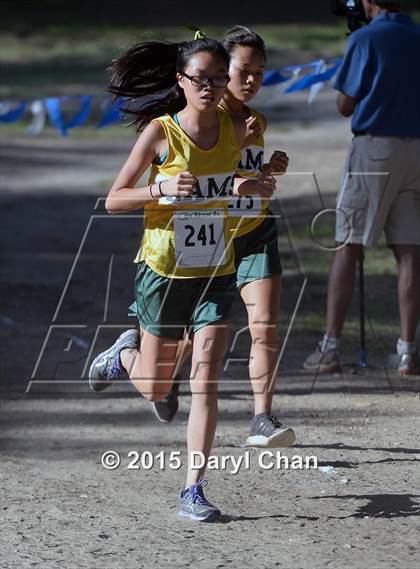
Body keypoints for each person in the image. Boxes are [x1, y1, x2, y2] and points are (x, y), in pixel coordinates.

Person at [88, 35, 277, 521]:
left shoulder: (239, 129)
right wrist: (160, 188)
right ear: (181, 81)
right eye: (201, 79)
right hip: (163, 271)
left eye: (218, 78)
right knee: (154, 388)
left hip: (216, 266)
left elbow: (247, 193)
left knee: (206, 375)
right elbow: (113, 199)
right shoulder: (160, 132)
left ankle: (193, 489)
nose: (211, 87)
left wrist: (258, 183)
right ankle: (124, 353)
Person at [153, 26, 297, 449]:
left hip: (254, 232)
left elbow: (247, 180)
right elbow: (207, 179)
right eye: (243, 71)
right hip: (212, 238)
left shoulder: (257, 120)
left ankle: (262, 419)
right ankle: (166, 374)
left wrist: (268, 169)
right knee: (197, 335)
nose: (251, 80)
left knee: (265, 326)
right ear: (220, 70)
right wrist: (242, 177)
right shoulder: (205, 121)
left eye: (260, 73)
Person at [303, 0, 420, 376]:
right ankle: (407, 351)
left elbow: (344, 104)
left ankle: (330, 347)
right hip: (416, 150)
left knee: (348, 244)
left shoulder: (366, 39)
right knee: (409, 250)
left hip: (375, 149)